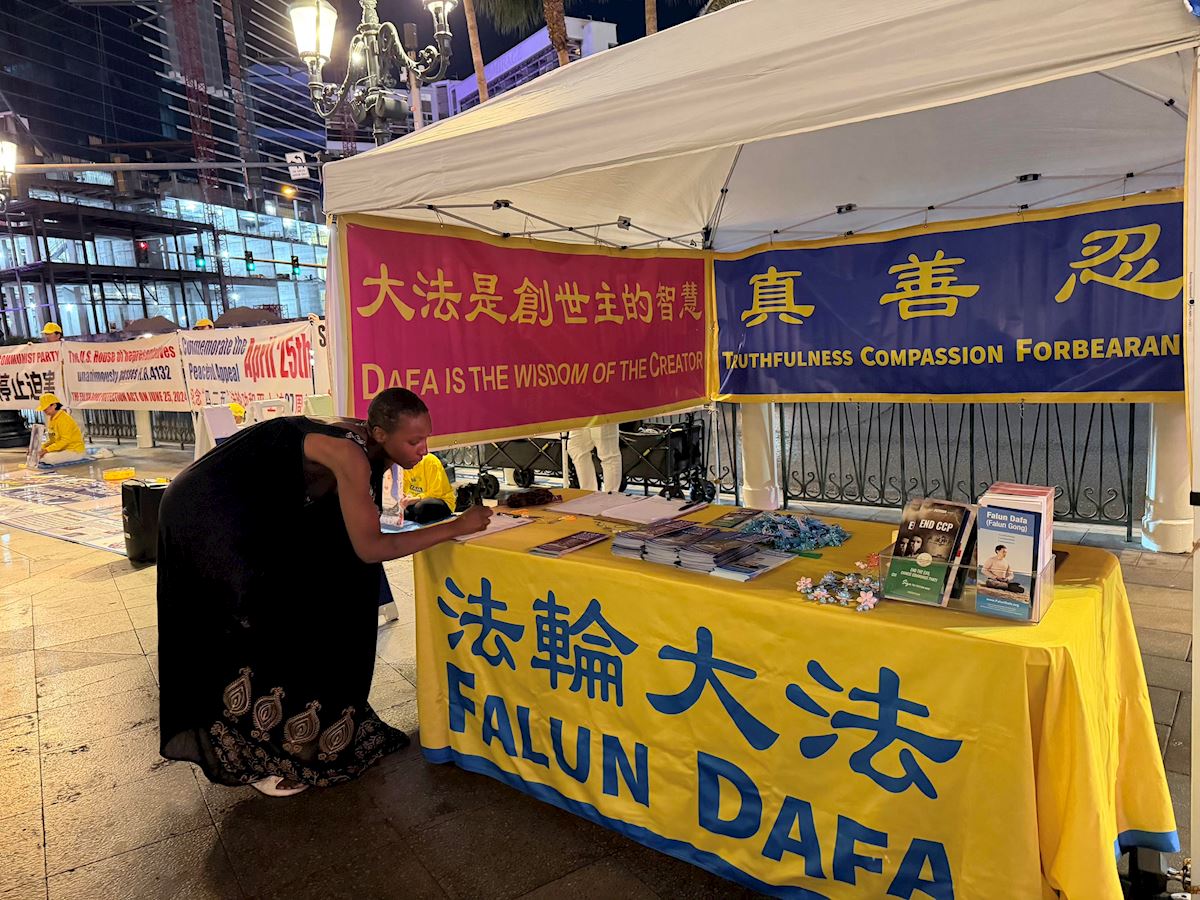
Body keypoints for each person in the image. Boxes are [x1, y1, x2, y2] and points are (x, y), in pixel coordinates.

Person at [156, 387, 491, 797]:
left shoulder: (367, 440)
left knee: (329, 589)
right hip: (207, 511)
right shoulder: (349, 454)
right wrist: (456, 527)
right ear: (380, 434)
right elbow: (371, 548)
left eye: (426, 438)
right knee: (252, 619)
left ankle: (300, 726)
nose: (424, 450)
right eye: (414, 441)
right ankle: (262, 755)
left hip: (247, 507)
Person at [401, 453, 456, 524]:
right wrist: (406, 497)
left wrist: (416, 499)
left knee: (420, 507)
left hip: (440, 500)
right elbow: (405, 488)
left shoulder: (430, 461)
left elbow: (437, 492)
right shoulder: (404, 464)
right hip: (415, 500)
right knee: (400, 510)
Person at [567, 423, 622, 492]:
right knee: (576, 448)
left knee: (607, 452)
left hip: (603, 417)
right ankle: (589, 492)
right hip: (580, 417)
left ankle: (611, 494)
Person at [35, 393, 86, 465]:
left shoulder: (64, 419)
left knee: (47, 458)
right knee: (39, 455)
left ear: (54, 405)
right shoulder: (52, 419)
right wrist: (41, 448)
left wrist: (46, 450)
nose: (44, 410)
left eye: (46, 408)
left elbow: (65, 441)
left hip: (74, 451)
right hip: (63, 449)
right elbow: (52, 440)